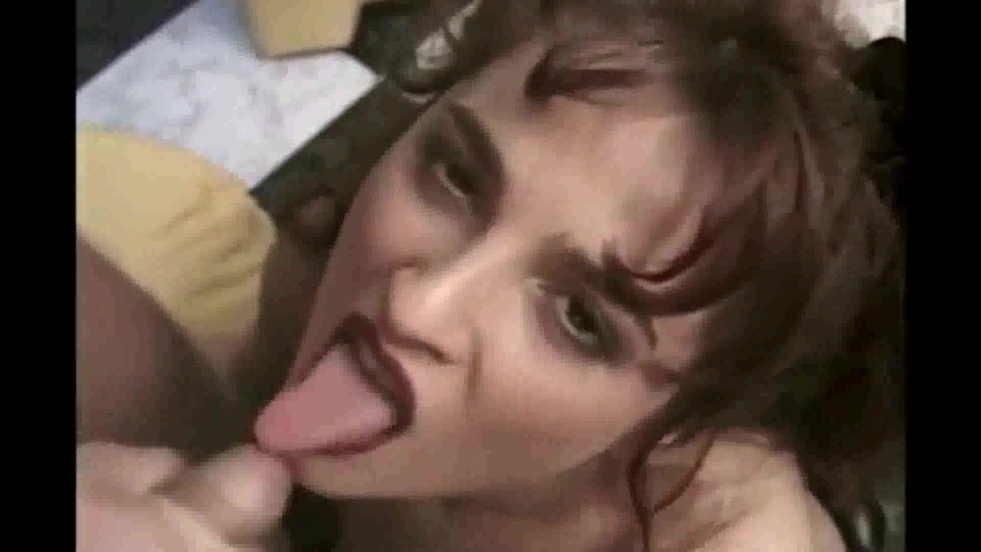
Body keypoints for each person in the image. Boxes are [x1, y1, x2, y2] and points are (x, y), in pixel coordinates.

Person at [76, 0, 905, 550]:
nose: (418, 303)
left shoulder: (723, 537)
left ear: (680, 421)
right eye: (457, 176)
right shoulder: (316, 267)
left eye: (581, 320)